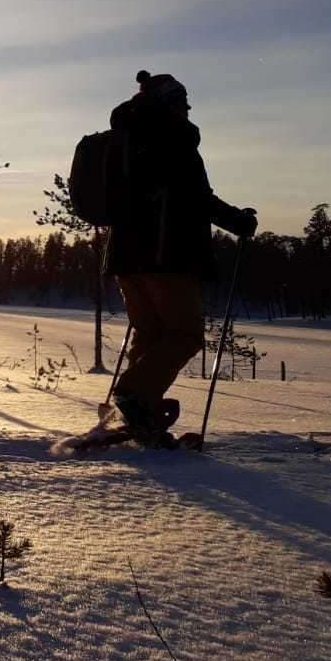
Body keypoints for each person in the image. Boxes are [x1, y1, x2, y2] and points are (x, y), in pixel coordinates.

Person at [103, 69, 257, 446]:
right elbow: (196, 197)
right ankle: (135, 395)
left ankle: (141, 410)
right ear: (170, 103)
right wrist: (238, 220)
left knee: (152, 334)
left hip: (126, 257)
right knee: (185, 335)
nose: (187, 109)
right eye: (182, 102)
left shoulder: (127, 136)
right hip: (167, 256)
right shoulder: (173, 138)